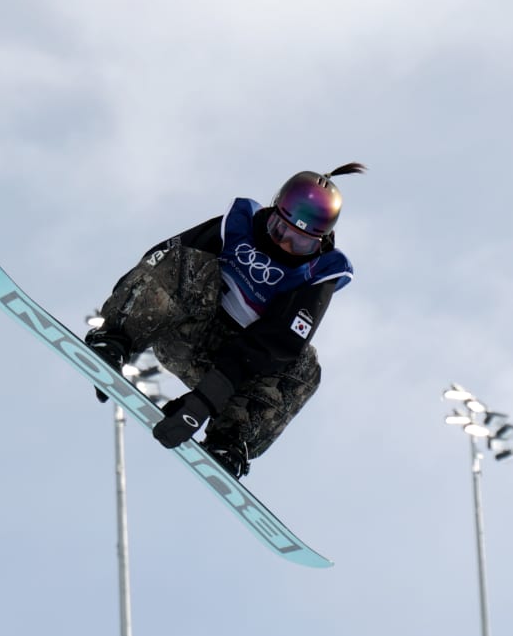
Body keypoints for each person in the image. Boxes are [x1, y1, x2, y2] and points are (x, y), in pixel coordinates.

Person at [83, 164, 365, 478]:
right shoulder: (238, 227)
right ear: (271, 211)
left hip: (237, 372)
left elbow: (276, 342)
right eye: (279, 230)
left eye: (300, 244)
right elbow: (161, 259)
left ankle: (230, 438)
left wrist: (205, 401)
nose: (284, 245)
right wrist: (118, 325)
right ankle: (117, 340)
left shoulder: (317, 274)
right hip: (187, 331)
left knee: (304, 366)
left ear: (321, 242)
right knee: (188, 262)